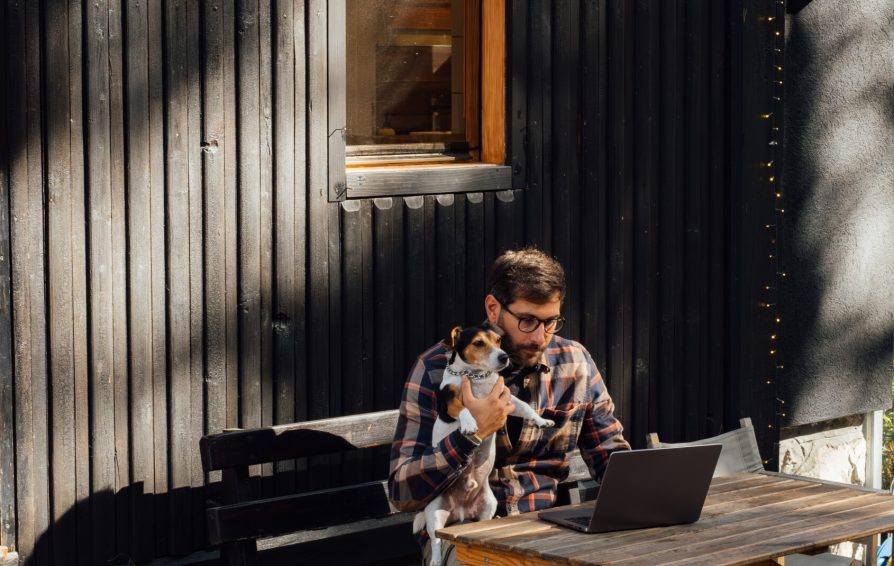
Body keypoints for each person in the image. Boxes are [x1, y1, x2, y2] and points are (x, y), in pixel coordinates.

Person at [388, 248, 630, 565]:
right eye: (527, 320)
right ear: (493, 308)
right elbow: (403, 492)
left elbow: (610, 455)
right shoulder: (437, 370)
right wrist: (468, 436)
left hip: (545, 533)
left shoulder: (574, 362)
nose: (540, 336)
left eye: (550, 321)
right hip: (463, 536)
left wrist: (650, 491)